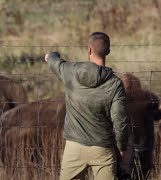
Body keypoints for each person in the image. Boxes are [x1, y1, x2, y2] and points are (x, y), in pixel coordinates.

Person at [44, 32, 129, 180]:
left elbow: (53, 60)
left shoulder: (70, 71)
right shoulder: (115, 84)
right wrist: (122, 148)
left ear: (89, 50)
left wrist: (52, 55)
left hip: (74, 147)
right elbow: (120, 120)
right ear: (108, 52)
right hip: (103, 148)